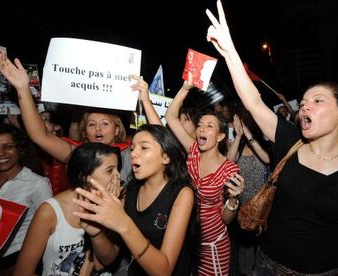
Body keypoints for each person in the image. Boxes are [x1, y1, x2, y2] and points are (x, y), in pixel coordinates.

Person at [205, 1, 338, 275]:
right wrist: (229, 52)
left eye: (318, 101)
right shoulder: (289, 140)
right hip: (266, 266)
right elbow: (254, 102)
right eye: (304, 102)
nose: (305, 106)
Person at [0, 50, 161, 186]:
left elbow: (160, 141)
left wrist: (145, 101)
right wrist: (22, 89)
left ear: (117, 128)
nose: (98, 128)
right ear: (85, 131)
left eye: (104, 123)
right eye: (91, 124)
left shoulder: (130, 154)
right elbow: (40, 135)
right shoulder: (76, 154)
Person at [72, 124, 197, 275]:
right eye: (132, 149)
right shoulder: (129, 192)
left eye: (144, 148)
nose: (133, 154)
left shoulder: (182, 193)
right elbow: (105, 261)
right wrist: (96, 234)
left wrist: (124, 224)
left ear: (166, 157)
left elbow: (164, 271)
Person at [165, 74, 244, 275]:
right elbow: (171, 117)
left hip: (214, 246)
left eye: (209, 126)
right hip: (191, 239)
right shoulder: (192, 151)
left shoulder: (229, 170)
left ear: (220, 136)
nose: (202, 128)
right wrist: (186, 88)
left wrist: (234, 199)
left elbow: (226, 219)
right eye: (200, 124)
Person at [12, 142, 122, 276]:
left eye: (118, 169)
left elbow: (104, 262)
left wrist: (99, 228)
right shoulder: (49, 211)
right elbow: (22, 272)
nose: (118, 175)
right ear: (84, 176)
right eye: (110, 170)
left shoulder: (115, 204)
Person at [0, 124, 53, 275]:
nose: (0, 153)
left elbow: (51, 230)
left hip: (14, 263)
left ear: (20, 149)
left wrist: (29, 267)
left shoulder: (36, 183)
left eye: (8, 146)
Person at [227, 111, 271, 275]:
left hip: (262, 205)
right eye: (244, 121)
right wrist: (238, 136)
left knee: (262, 246)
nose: (246, 124)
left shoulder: (265, 143)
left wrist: (249, 136)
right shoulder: (238, 144)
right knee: (245, 247)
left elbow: (267, 159)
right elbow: (229, 163)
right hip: (242, 204)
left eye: (249, 121)